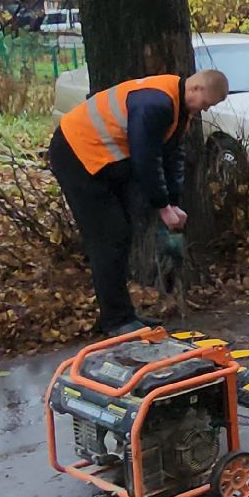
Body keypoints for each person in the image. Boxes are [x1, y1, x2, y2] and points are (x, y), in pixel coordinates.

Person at [50, 69, 229, 336]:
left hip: (102, 162)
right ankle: (116, 321)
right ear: (196, 89)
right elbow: (146, 158)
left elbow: (172, 155)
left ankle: (122, 315)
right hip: (77, 156)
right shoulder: (155, 104)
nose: (204, 109)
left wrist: (173, 201)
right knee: (109, 237)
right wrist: (163, 207)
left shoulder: (178, 109)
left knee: (120, 234)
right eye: (205, 104)